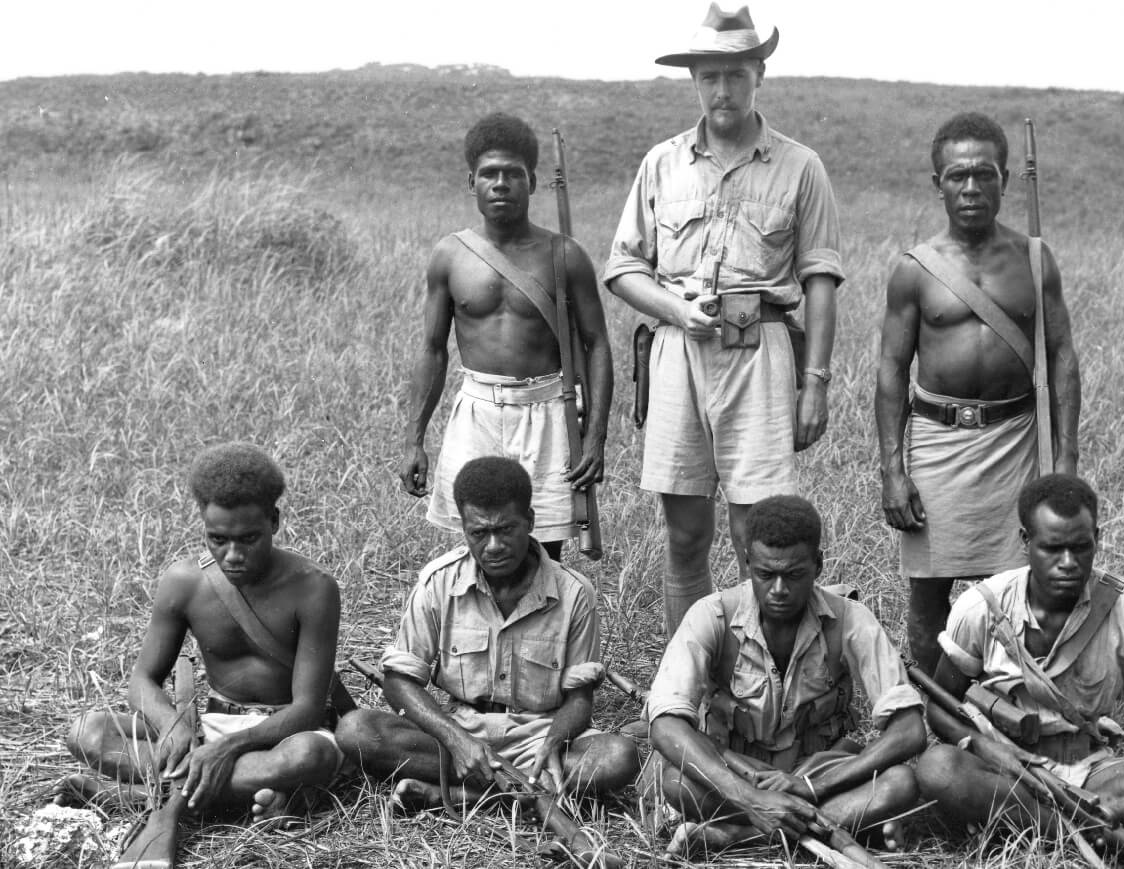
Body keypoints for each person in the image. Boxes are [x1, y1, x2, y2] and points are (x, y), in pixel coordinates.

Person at [604, 4, 844, 637]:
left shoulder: (801, 166)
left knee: (754, 533)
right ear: (694, 80)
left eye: (736, 74)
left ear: (759, 75)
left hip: (760, 354)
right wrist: (677, 310)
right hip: (678, 355)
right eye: (709, 76)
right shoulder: (662, 164)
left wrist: (815, 383)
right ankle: (686, 672)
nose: (722, 89)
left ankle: (754, 672)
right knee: (685, 532)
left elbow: (821, 279)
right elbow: (623, 267)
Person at [916, 474, 1124, 867]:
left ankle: (1038, 824)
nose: (1068, 563)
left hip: (1093, 774)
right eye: (1052, 548)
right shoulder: (982, 607)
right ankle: (1103, 835)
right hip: (1003, 770)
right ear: (1025, 542)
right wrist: (987, 748)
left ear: (1097, 539)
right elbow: (940, 706)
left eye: (1080, 547)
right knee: (938, 769)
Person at [875, 111, 1081, 672]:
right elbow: (892, 368)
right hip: (938, 444)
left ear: (1005, 180)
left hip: (1016, 442)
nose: (971, 188)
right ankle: (935, 706)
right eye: (958, 176)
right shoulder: (915, 269)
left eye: (984, 174)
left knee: (1018, 591)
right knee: (929, 595)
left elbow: (1062, 355)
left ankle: (1005, 699)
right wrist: (893, 470)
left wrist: (1065, 460)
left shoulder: (1035, 260)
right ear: (937, 183)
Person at [336, 456, 638, 809]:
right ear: (464, 528)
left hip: (538, 740)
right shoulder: (438, 582)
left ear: (530, 521)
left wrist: (554, 743)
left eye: (506, 530)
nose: (493, 546)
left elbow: (579, 699)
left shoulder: (574, 593)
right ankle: (522, 793)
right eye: (479, 533)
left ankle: (458, 795)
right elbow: (399, 681)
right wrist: (456, 740)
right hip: (457, 734)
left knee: (617, 757)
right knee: (356, 730)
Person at [62, 443, 345, 820]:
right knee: (88, 731)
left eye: (249, 539)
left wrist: (227, 749)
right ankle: (241, 792)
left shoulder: (314, 588)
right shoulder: (184, 582)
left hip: (285, 734)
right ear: (203, 526)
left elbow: (307, 710)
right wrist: (173, 726)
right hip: (210, 728)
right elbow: (143, 681)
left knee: (311, 756)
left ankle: (149, 795)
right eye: (218, 539)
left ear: (274, 521)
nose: (233, 555)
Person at [646, 495, 925, 856]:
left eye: (793, 575)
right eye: (765, 575)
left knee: (900, 783)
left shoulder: (849, 619)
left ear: (818, 565)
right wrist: (750, 798)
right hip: (738, 774)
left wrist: (812, 786)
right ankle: (834, 825)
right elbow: (665, 725)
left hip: (820, 774)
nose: (778, 590)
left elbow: (909, 730)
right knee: (677, 781)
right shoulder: (712, 615)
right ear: (748, 563)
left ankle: (734, 837)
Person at [399, 112, 613, 562]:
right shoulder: (449, 255)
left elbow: (596, 345)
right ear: (471, 182)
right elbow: (432, 350)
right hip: (477, 410)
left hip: (547, 410)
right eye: (489, 174)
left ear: (531, 182)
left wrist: (595, 437)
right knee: (481, 539)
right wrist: (414, 440)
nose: (500, 184)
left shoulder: (566, 256)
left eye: (513, 174)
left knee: (544, 550)